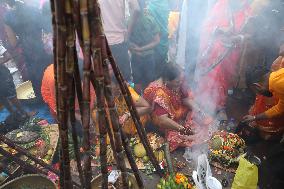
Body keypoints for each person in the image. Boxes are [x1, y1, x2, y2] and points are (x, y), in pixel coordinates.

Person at [194, 0, 252, 120]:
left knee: (226, 79)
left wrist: (239, 38)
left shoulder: (247, 9)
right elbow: (206, 27)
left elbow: (251, 33)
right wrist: (219, 30)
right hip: (216, 49)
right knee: (215, 77)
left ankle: (221, 105)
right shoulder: (220, 6)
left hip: (234, 51)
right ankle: (210, 104)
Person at [144, 63, 210, 151]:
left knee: (200, 119)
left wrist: (200, 112)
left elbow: (185, 99)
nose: (180, 83)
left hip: (177, 114)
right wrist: (182, 129)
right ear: (167, 80)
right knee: (176, 137)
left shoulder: (177, 80)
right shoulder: (158, 93)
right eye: (177, 82)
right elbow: (162, 120)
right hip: (162, 123)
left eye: (181, 80)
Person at [243, 55, 284, 139]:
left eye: (258, 92)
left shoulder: (278, 84)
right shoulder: (275, 79)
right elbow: (279, 108)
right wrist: (254, 117)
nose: (260, 95)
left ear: (257, 86)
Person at [98, 0, 141, 81]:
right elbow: (136, 9)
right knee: (123, 81)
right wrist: (128, 34)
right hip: (119, 40)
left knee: (103, 82)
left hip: (99, 42)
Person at [129, 6, 160, 91]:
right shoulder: (150, 19)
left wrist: (136, 49)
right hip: (149, 56)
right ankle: (148, 102)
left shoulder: (129, 21)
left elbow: (126, 40)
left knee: (137, 83)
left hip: (136, 56)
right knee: (149, 85)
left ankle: (140, 102)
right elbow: (157, 41)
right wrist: (142, 49)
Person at [0, 43, 30, 121]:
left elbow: (7, 56)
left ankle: (24, 113)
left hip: (2, 73)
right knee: (1, 96)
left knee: (11, 94)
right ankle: (14, 114)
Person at [147, 0, 170, 77]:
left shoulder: (152, 5)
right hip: (162, 41)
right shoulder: (164, 4)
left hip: (154, 43)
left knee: (155, 70)